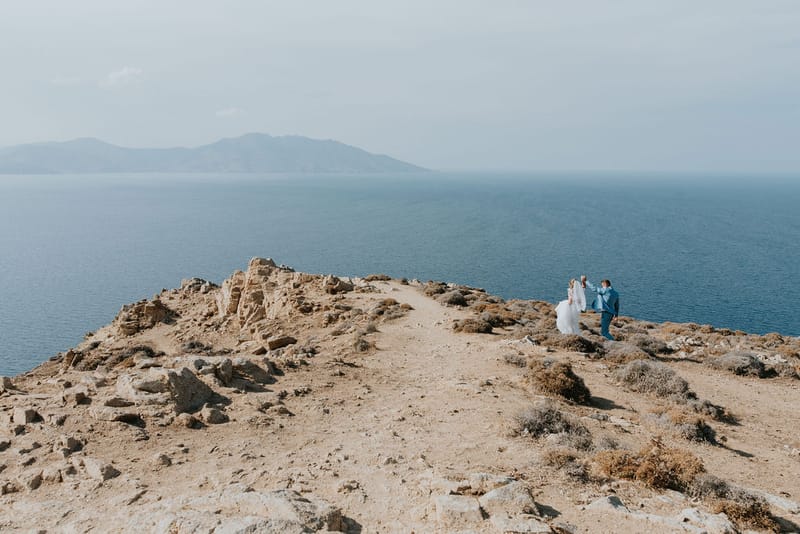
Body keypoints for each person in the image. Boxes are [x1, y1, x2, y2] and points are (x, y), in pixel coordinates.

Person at [581, 275, 619, 340]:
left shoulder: (605, 290)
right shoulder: (616, 293)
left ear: (605, 284)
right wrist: (616, 316)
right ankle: (612, 343)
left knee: (604, 332)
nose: (602, 287)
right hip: (611, 314)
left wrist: (586, 281)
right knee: (605, 330)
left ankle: (614, 343)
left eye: (602, 285)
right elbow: (617, 305)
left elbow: (594, 289)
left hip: (606, 312)